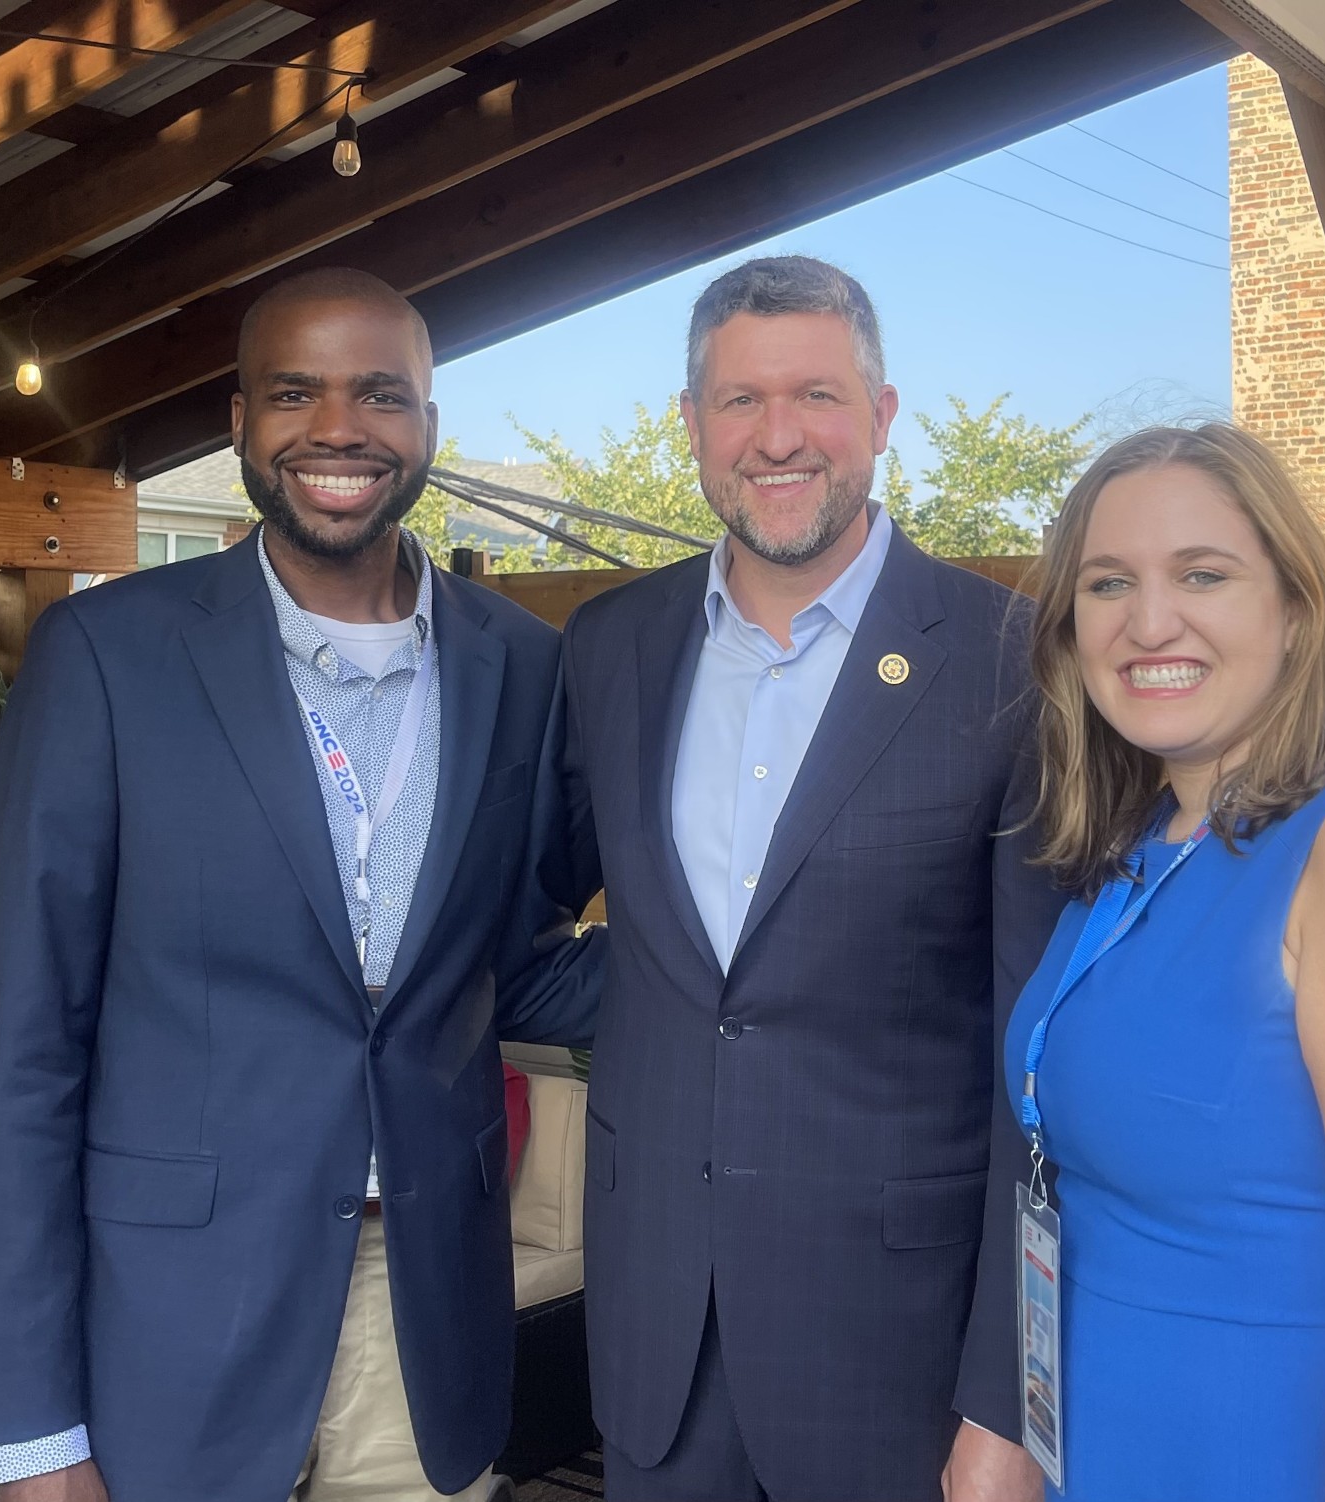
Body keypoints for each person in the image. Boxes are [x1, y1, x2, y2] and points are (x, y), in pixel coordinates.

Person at [0, 268, 602, 1502]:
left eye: (381, 395)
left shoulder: (524, 663)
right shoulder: (107, 657)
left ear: (427, 425)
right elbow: (21, 1051)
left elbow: (514, 957)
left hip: (422, 1317)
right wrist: (30, 1428)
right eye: (296, 394)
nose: (338, 429)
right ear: (242, 420)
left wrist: (758, 971)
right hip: (167, 1321)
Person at [559, 255, 1061, 1502]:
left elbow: (1038, 1064)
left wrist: (1010, 1396)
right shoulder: (612, 646)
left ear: (881, 416)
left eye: (817, 396)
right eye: (740, 399)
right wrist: (643, 1008)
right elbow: (531, 914)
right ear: (691, 424)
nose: (777, 436)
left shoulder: (1010, 665)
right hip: (659, 1344)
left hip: (898, 1363)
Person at [1005, 423, 1325, 1501]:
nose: (1150, 621)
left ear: (1295, 607)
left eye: (1203, 574)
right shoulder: (1139, 847)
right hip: (1107, 1453)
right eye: (1108, 583)